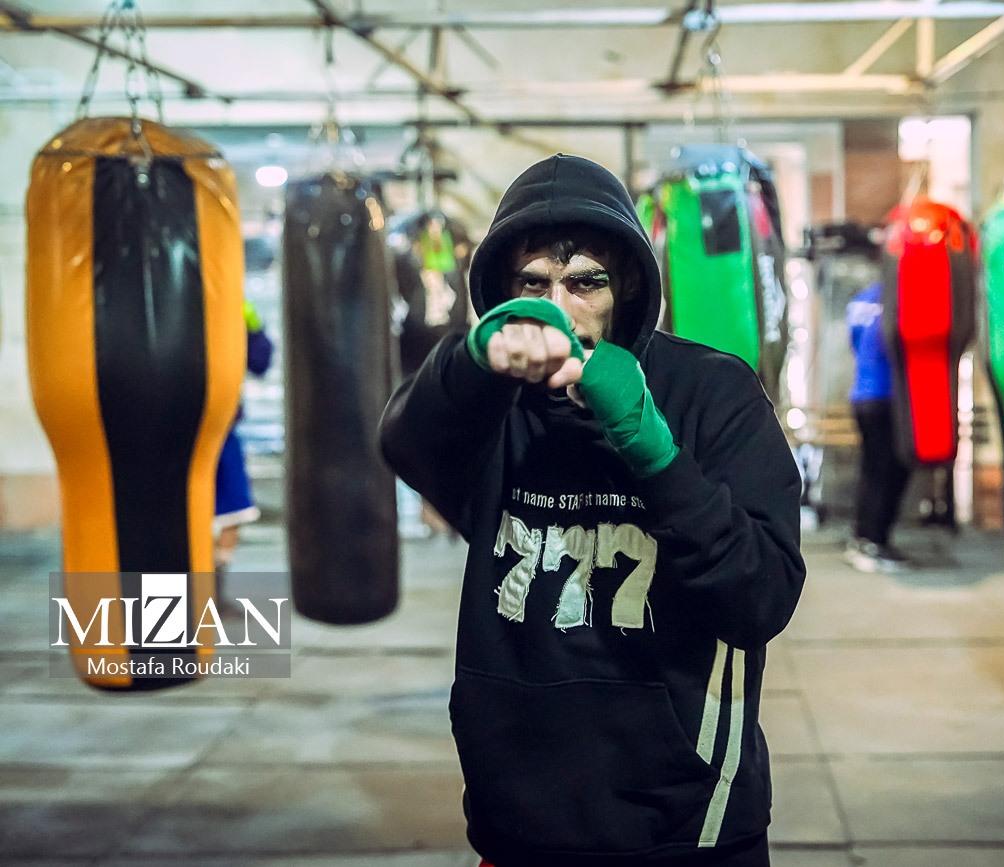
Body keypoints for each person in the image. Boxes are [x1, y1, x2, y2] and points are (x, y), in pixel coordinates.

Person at [380, 154, 806, 867]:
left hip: (685, 825)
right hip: (520, 822)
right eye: (533, 285)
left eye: (585, 282)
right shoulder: (493, 409)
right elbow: (406, 440)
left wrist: (653, 451)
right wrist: (473, 358)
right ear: (504, 292)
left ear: (628, 283)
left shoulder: (712, 392)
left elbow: (760, 595)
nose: (560, 307)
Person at [844, 280, 912, 573]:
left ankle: (865, 538)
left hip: (863, 394)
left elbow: (854, 343)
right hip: (888, 396)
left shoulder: (860, 300)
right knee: (889, 470)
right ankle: (874, 541)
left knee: (873, 469)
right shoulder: (899, 298)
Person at [214, 299, 274, 597]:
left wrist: (253, 329)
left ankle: (216, 585)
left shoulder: (231, 305)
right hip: (177, 428)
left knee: (235, 509)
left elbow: (260, 362)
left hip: (224, 428)